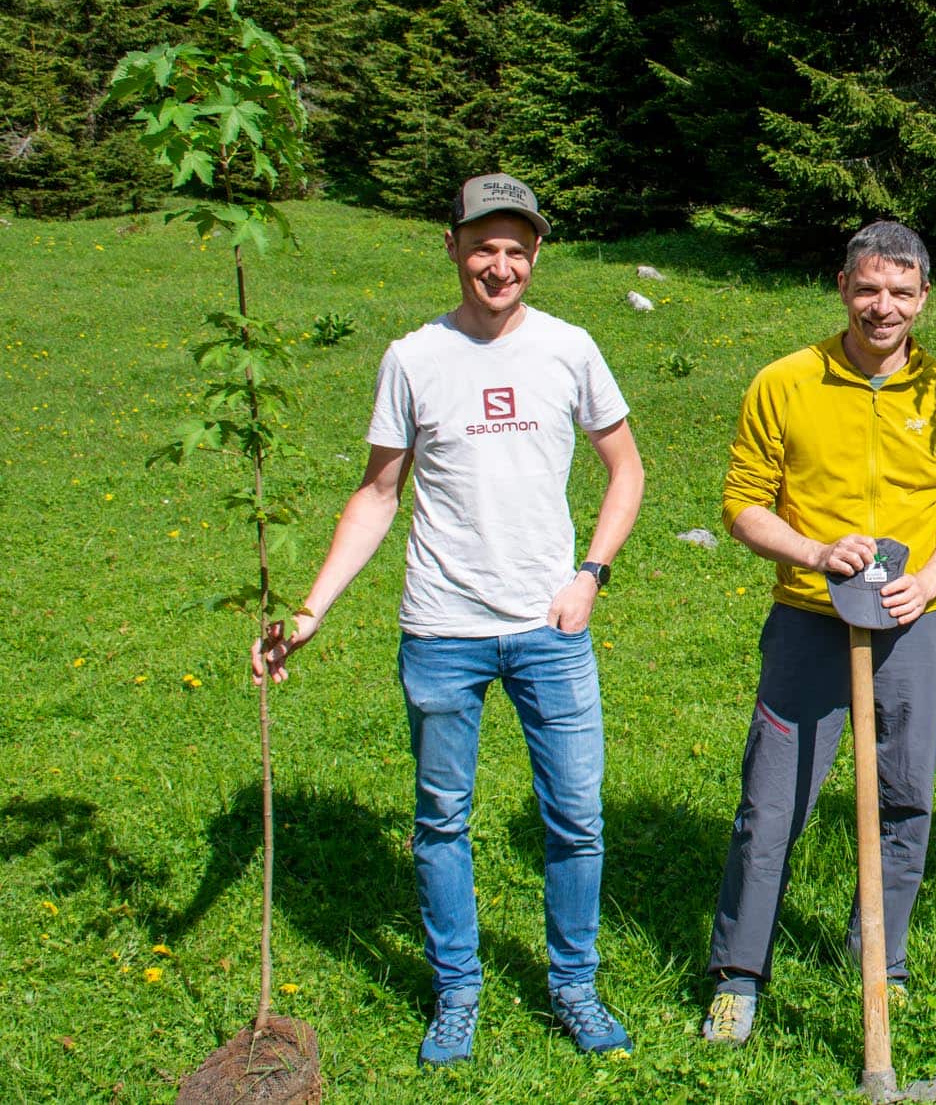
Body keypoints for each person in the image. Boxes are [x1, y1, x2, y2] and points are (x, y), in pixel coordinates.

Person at [251, 173, 645, 1065]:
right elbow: (378, 493)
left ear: (535, 254)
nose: (498, 265)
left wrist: (591, 573)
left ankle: (573, 983)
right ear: (453, 246)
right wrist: (311, 609)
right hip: (442, 629)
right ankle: (458, 989)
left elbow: (627, 469)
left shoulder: (570, 349)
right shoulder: (412, 357)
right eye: (483, 245)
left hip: (552, 628)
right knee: (440, 819)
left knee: (577, 815)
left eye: (515, 248)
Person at [701, 221, 936, 1046]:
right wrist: (816, 551)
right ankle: (739, 974)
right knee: (772, 804)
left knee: (905, 798)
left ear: (925, 297)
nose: (884, 307)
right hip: (808, 620)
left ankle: (883, 959)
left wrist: (926, 583)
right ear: (842, 286)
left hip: (911, 630)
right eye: (868, 288)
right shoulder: (785, 383)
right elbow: (743, 504)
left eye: (901, 292)